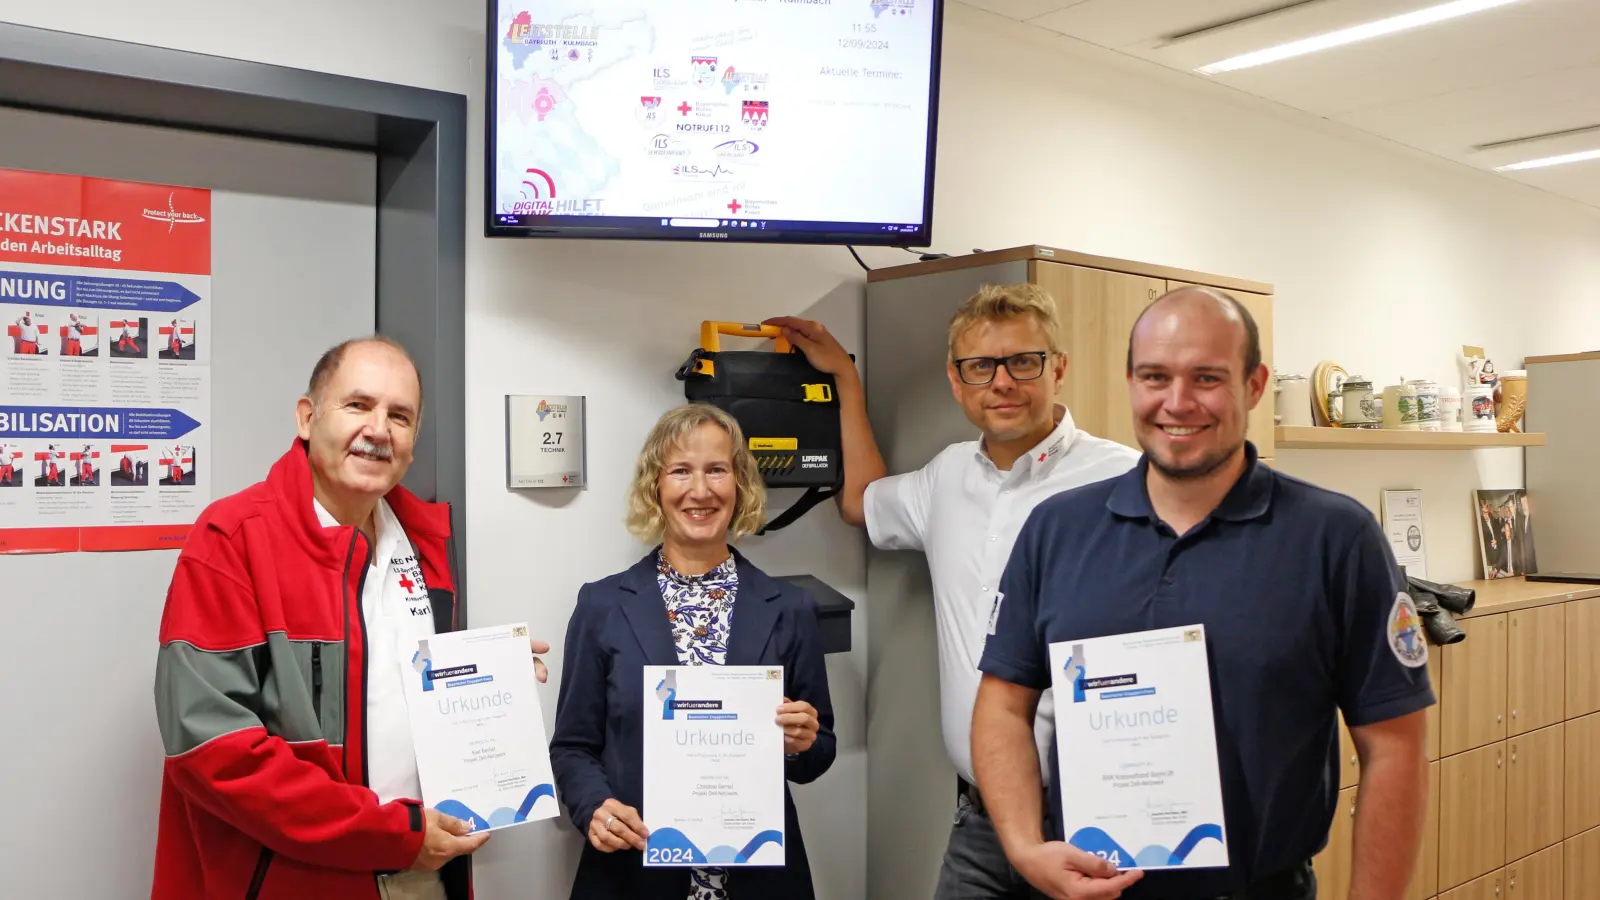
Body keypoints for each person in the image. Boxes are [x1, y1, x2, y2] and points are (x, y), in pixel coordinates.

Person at [972, 286, 1434, 900]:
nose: (1177, 402)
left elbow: (1394, 747)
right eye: (1155, 376)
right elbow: (1003, 703)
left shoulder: (1335, 539)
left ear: (1254, 384)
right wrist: (1025, 847)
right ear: (1131, 381)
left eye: (1207, 378)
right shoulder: (1057, 530)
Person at [764, 284, 1139, 899]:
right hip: (980, 820)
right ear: (956, 380)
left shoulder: (1124, 479)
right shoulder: (949, 476)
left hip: (1097, 816)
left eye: (1024, 361)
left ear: (1058, 369)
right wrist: (844, 382)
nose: (1003, 382)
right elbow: (861, 502)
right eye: (980, 366)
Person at [151, 335, 551, 900]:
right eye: (358, 405)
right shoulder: (233, 540)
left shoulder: (427, 543)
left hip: (421, 872)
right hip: (293, 882)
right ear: (308, 418)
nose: (379, 429)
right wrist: (389, 833)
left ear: (413, 443)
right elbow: (213, 751)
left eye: (400, 416)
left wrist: (490, 672)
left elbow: (391, 679)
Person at [550, 403, 836, 900]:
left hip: (757, 879)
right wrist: (594, 806)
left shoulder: (790, 608)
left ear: (740, 483)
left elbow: (818, 751)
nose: (700, 490)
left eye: (716, 470)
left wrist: (804, 741)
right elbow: (573, 746)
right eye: (681, 470)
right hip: (633, 874)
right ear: (655, 487)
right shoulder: (602, 605)